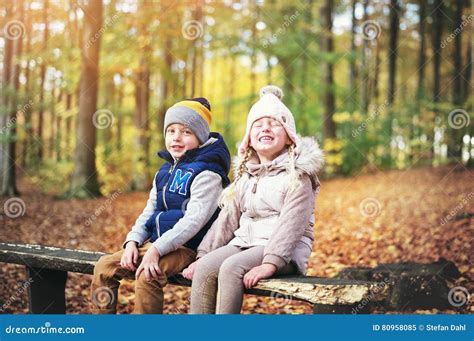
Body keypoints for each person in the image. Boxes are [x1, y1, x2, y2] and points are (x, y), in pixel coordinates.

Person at [183, 85, 324, 314]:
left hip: (283, 251)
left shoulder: (298, 176)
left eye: (274, 123)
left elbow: (292, 224)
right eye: (258, 125)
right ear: (249, 140)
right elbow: (227, 219)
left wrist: (271, 262)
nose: (265, 128)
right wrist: (204, 255)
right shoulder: (246, 175)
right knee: (207, 267)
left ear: (289, 137)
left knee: (231, 268)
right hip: (245, 243)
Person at [91, 97, 230, 314]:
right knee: (103, 268)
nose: (176, 137)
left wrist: (155, 250)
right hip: (156, 243)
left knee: (148, 276)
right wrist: (132, 241)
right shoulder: (164, 172)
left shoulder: (208, 173)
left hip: (187, 248)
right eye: (171, 131)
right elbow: (150, 210)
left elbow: (194, 221)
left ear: (200, 137)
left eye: (186, 132)